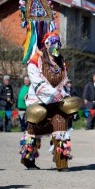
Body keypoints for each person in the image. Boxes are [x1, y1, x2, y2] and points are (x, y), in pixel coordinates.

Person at [21, 31, 80, 171]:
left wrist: (64, 95)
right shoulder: (35, 60)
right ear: (46, 44)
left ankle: (62, 161)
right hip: (39, 100)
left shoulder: (61, 62)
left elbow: (62, 84)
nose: (56, 47)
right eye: (53, 43)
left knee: (60, 124)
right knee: (34, 129)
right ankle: (28, 160)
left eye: (58, 44)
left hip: (56, 102)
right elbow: (37, 82)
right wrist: (53, 93)